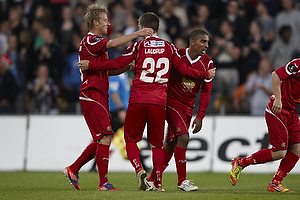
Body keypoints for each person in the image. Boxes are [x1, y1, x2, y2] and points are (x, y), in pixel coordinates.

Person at [78, 12, 216, 191]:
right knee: (157, 144)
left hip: (137, 99)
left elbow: (117, 63)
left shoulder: (138, 46)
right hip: (159, 101)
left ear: (143, 27)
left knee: (130, 140)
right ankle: (158, 183)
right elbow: (185, 70)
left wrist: (92, 65)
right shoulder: (170, 47)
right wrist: (205, 74)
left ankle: (139, 169)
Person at [62, 4, 153, 191]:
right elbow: (112, 44)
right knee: (105, 137)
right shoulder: (91, 40)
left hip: (98, 94)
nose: (108, 23)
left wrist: (127, 66)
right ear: (95, 22)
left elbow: (109, 69)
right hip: (92, 93)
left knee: (102, 138)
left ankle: (73, 169)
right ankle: (103, 183)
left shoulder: (95, 46)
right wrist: (138, 34)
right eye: (105, 20)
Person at [146, 29, 214, 191]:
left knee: (171, 143)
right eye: (203, 41)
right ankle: (182, 181)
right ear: (192, 42)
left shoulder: (208, 63)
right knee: (183, 137)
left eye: (207, 42)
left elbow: (206, 91)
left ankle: (151, 179)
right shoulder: (177, 55)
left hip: (187, 107)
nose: (207, 45)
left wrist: (200, 116)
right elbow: (178, 71)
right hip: (170, 101)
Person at [230, 58, 300, 192]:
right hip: (278, 110)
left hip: (291, 112)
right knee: (279, 152)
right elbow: (276, 75)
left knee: (297, 149)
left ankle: (275, 183)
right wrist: (278, 99)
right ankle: (240, 162)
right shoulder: (297, 64)